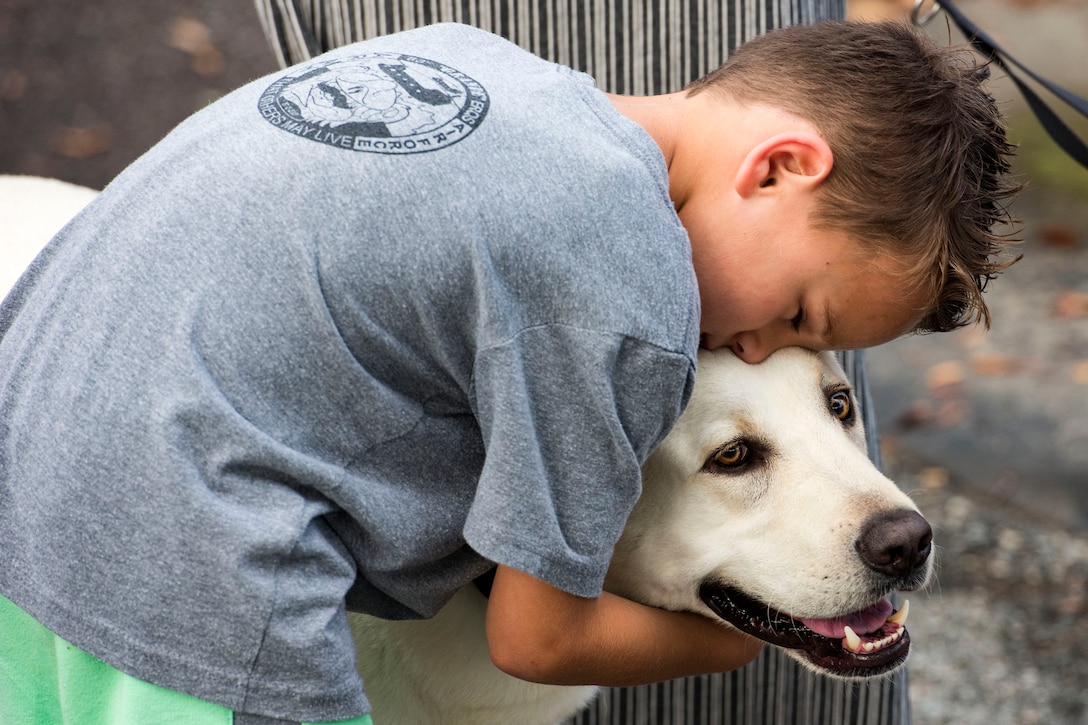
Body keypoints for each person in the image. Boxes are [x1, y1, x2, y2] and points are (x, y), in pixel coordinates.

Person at [0, 19, 1015, 725]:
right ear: (777, 166)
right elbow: (535, 638)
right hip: (185, 566)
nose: (753, 343)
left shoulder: (475, 66)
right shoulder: (621, 291)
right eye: (796, 312)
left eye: (824, 380)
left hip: (27, 458)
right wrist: (732, 644)